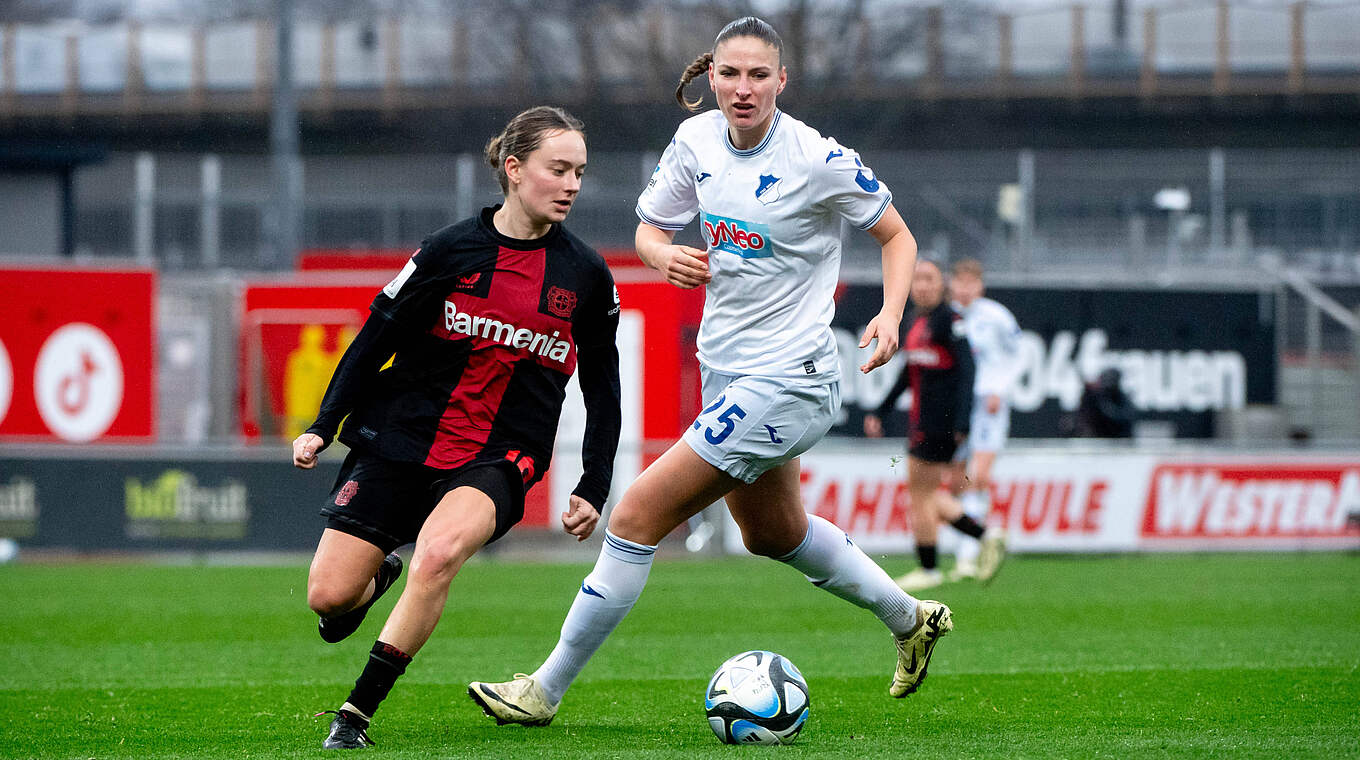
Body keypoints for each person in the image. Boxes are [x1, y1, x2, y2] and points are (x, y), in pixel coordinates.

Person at [467, 16, 952, 728]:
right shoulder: (695, 142)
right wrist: (663, 257)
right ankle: (911, 619)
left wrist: (890, 313)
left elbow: (897, 235)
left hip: (791, 377)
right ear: (712, 77)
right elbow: (648, 231)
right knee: (773, 533)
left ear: (781, 80)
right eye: (730, 74)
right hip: (728, 371)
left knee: (636, 514)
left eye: (758, 75)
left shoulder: (817, 158)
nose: (743, 88)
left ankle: (543, 689)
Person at [291, 105, 622, 749]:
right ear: (513, 168)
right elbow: (375, 338)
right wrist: (324, 424)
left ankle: (354, 715)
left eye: (580, 173)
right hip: (402, 436)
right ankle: (377, 578)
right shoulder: (447, 250)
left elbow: (602, 384)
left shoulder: (585, 274)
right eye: (558, 170)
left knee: (439, 553)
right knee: (329, 600)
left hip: (502, 453)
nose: (572, 185)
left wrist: (594, 481)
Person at [863, 259, 994, 592]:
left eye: (929, 279)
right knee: (926, 494)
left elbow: (968, 373)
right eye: (917, 279)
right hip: (921, 421)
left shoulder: (951, 321)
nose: (922, 286)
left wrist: (963, 421)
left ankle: (929, 567)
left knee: (920, 494)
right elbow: (908, 374)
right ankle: (986, 536)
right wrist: (881, 410)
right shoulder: (915, 321)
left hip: (940, 422)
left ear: (941, 284)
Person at [946, 258, 1019, 582]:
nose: (964, 289)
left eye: (970, 283)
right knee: (956, 480)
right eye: (959, 282)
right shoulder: (946, 316)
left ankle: (968, 556)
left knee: (980, 476)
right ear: (952, 284)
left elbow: (1018, 354)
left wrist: (1000, 389)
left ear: (980, 285)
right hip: (958, 405)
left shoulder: (997, 316)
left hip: (989, 404)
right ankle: (971, 542)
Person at [1074, 367, 1135, 438]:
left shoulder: (1120, 398)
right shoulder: (1093, 396)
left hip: (1118, 438)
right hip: (1096, 437)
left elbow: (1118, 418)